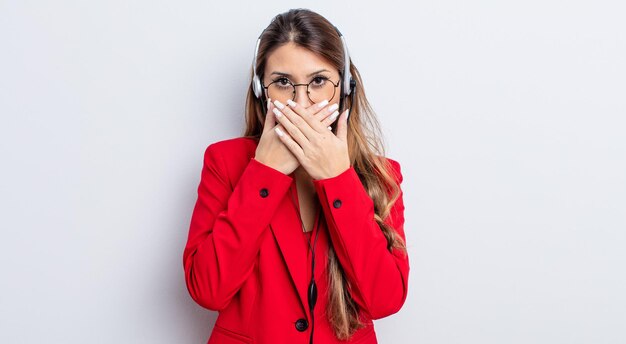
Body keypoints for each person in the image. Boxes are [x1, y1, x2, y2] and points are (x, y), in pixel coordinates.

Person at [182, 8, 409, 344]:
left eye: (318, 81)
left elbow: (385, 299)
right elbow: (208, 290)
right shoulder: (225, 162)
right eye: (283, 82)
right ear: (262, 90)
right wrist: (264, 173)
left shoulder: (380, 174)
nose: (301, 103)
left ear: (345, 87)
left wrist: (337, 179)